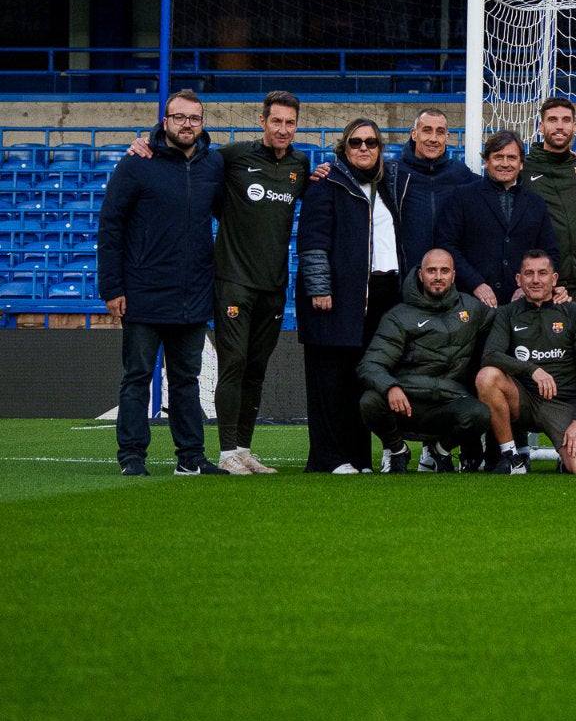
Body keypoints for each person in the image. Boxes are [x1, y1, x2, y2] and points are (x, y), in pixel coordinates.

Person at [130, 91, 304, 475]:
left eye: (290, 123)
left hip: (274, 285)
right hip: (232, 282)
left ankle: (243, 449)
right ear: (263, 122)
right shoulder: (232, 156)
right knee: (234, 363)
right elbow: (183, 155)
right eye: (276, 121)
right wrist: (146, 144)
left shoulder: (300, 165)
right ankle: (226, 452)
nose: (283, 129)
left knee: (256, 368)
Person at [97, 90, 226, 476]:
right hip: (142, 293)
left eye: (195, 118)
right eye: (180, 117)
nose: (188, 124)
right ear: (165, 121)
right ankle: (132, 457)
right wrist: (112, 287)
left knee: (186, 381)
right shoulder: (137, 163)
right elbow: (111, 224)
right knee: (136, 378)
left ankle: (191, 458)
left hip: (193, 293)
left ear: (202, 123)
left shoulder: (213, 164)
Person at [295, 118, 405, 474]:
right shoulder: (326, 184)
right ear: (344, 147)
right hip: (336, 298)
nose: (363, 148)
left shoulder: (390, 186)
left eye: (371, 143)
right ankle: (330, 457)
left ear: (380, 149)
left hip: (380, 296)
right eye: (355, 142)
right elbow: (312, 242)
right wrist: (320, 288)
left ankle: (358, 457)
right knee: (330, 381)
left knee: (361, 380)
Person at [354, 247, 494, 473]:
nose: (438, 276)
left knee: (480, 414)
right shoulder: (398, 315)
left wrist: (550, 298)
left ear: (454, 276)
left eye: (444, 271)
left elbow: (507, 321)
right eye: (431, 270)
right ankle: (398, 450)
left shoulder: (471, 308)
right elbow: (370, 364)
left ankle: (441, 450)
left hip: (448, 402)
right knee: (370, 402)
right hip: (408, 403)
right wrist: (390, 387)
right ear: (420, 274)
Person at [473, 249, 576, 476]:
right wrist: (533, 370)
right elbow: (490, 356)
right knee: (487, 376)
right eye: (528, 274)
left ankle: (568, 457)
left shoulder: (574, 313)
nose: (535, 280)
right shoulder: (507, 313)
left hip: (563, 404)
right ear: (518, 279)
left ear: (554, 279)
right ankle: (512, 458)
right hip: (524, 399)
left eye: (542, 273)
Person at [432, 129, 555, 309]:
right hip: (471, 304)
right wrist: (476, 283)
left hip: (522, 305)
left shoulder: (536, 203)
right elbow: (446, 245)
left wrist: (527, 286)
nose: (505, 163)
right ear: (486, 162)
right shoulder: (462, 196)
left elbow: (550, 251)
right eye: (498, 157)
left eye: (511, 158)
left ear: (521, 164)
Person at [522, 96, 576, 305]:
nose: (559, 126)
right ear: (541, 126)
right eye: (552, 120)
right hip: (538, 282)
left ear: (575, 126)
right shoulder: (524, 168)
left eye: (565, 120)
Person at [391, 108, 479, 274]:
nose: (433, 139)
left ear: (447, 137)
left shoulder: (460, 173)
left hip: (448, 276)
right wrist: (327, 172)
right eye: (426, 130)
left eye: (440, 132)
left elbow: (494, 186)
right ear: (414, 134)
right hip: (406, 275)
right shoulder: (393, 173)